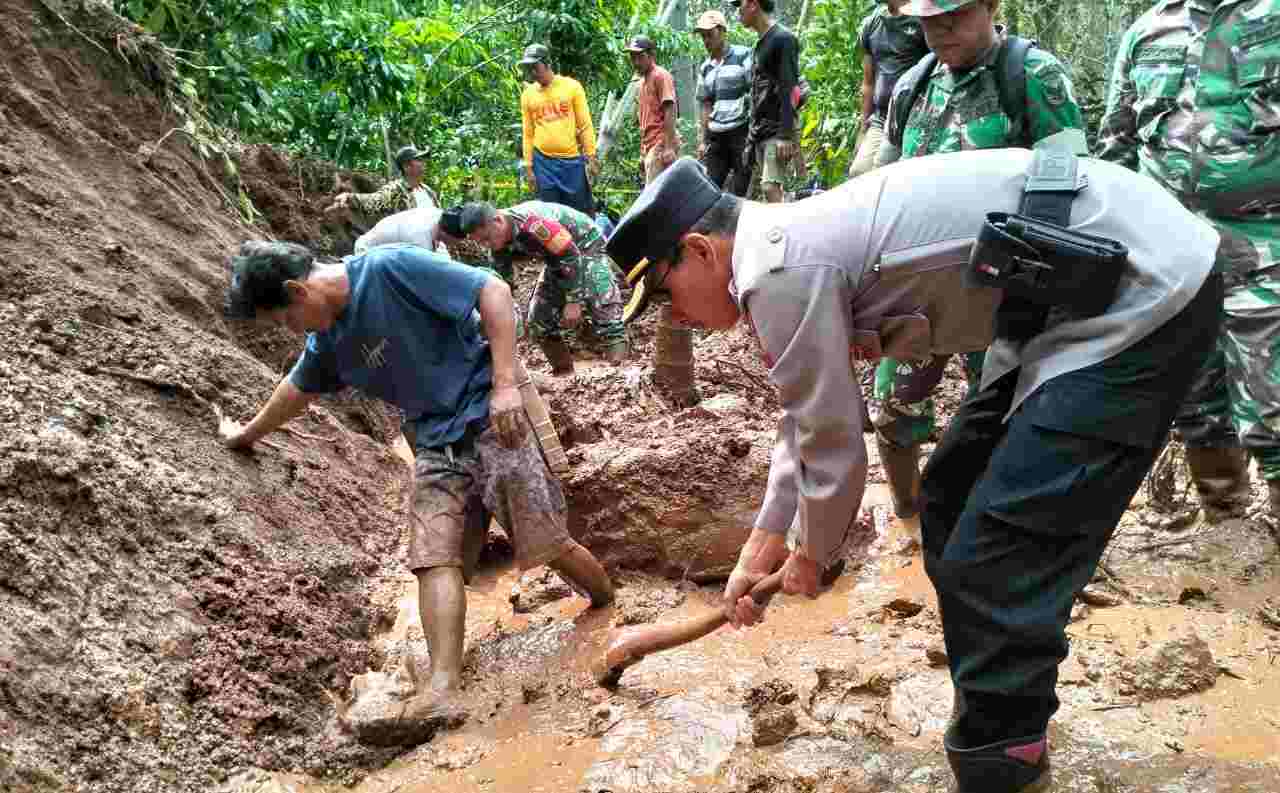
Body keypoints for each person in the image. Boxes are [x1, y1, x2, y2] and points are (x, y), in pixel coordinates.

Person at [606, 156, 1222, 793]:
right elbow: (803, 417)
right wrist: (760, 550)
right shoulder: (780, 250)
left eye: (665, 295)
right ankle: (1000, 705)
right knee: (950, 500)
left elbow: (833, 442)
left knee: (996, 559)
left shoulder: (776, 269)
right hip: (1063, 306)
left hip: (1140, 288)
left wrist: (812, 555)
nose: (673, 317)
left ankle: (1002, 757)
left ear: (700, 249)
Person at [218, 241, 614, 719]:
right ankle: (443, 686)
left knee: (546, 543)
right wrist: (245, 434)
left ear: (297, 291)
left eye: (285, 319)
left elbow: (493, 290)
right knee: (433, 558)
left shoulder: (390, 269)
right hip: (432, 445)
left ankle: (608, 606)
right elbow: (294, 392)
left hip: (492, 421)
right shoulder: (327, 345)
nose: (292, 330)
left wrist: (505, 384)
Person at [869, 0, 1087, 521]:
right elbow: (884, 183)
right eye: (930, 19)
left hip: (1001, 290)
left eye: (957, 14)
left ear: (991, 6)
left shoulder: (1031, 76)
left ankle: (996, 527)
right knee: (894, 409)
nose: (942, 29)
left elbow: (1070, 182)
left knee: (1002, 413)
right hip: (921, 292)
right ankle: (910, 523)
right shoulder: (913, 85)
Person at [1097, 0, 1280, 523]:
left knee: (1274, 409)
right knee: (1195, 402)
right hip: (1173, 257)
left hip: (1266, 250)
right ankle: (1227, 529)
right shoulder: (1149, 31)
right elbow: (1117, 144)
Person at [457, 201, 627, 374]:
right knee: (538, 320)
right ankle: (565, 374)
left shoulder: (534, 223)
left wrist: (573, 301)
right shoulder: (497, 244)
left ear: (498, 220)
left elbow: (571, 255)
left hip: (585, 245)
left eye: (487, 238)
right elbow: (502, 284)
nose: (486, 245)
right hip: (556, 258)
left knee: (604, 307)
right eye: (480, 242)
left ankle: (620, 371)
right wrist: (499, 315)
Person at [847, 0, 928, 179]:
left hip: (910, 116)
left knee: (882, 176)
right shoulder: (871, 24)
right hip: (881, 118)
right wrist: (863, 129)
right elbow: (868, 82)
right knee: (858, 172)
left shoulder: (922, 19)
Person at [731, 0, 800, 203]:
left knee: (770, 187)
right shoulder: (760, 43)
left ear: (754, 4)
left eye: (740, 4)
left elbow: (789, 87)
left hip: (777, 129)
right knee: (769, 191)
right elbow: (757, 92)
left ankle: (786, 224)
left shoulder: (783, 39)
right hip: (762, 130)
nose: (738, 10)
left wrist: (785, 135)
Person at [518, 44, 599, 215]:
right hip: (543, 163)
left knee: (579, 213)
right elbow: (528, 133)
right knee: (549, 214)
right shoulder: (528, 95)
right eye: (529, 68)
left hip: (571, 162)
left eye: (535, 67)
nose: (532, 72)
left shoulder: (571, 87)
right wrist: (529, 168)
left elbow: (584, 125)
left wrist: (591, 156)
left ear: (547, 63)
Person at [695, 10, 753, 197]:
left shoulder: (743, 55)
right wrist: (703, 140)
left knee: (740, 188)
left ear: (722, 31)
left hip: (741, 131)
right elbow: (705, 104)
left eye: (709, 35)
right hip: (716, 135)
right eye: (703, 36)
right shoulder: (705, 68)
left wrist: (755, 130)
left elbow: (756, 90)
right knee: (710, 189)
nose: (706, 40)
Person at [327, 145, 439, 227]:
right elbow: (375, 200)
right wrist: (349, 197)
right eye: (419, 160)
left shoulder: (429, 192)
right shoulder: (397, 189)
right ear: (406, 167)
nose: (424, 163)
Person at [625, 36, 680, 184]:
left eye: (640, 57)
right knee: (654, 192)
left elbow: (670, 109)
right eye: (633, 57)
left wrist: (668, 147)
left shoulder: (660, 75)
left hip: (660, 144)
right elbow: (645, 121)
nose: (636, 62)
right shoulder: (641, 83)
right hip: (650, 147)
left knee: (654, 194)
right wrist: (643, 153)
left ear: (651, 55)